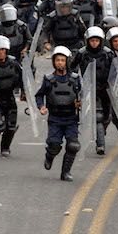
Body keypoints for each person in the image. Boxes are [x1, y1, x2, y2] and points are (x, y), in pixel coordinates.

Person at [35, 46, 83, 181]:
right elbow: (39, 95)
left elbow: (84, 95)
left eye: (63, 60)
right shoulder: (49, 79)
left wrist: (81, 103)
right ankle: (49, 156)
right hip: (55, 119)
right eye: (57, 60)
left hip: (71, 118)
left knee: (73, 145)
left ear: (67, 61)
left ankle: (65, 172)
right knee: (54, 145)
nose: (60, 63)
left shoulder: (75, 79)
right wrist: (42, 107)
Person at [70, 27, 115, 154]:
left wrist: (114, 84)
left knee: (106, 116)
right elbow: (72, 68)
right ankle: (100, 145)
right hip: (90, 89)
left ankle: (101, 131)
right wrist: (75, 83)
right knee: (97, 117)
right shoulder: (82, 53)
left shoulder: (108, 54)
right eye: (92, 40)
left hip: (105, 89)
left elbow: (117, 70)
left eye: (96, 40)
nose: (94, 43)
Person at [0, 36, 24, 157]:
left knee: (11, 125)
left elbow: (23, 78)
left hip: (9, 96)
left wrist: (24, 92)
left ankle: (5, 147)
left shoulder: (13, 63)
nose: (1, 52)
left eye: (3, 50)